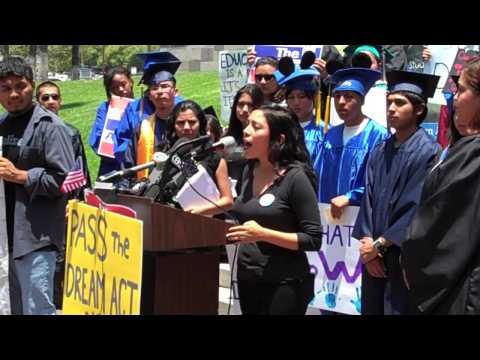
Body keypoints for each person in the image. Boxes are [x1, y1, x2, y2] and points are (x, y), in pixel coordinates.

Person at [352, 70, 441, 315]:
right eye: (389, 102)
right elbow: (367, 200)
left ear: (419, 110)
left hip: (403, 258)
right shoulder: (380, 150)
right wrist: (369, 247)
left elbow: (416, 206)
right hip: (373, 258)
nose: (391, 108)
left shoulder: (430, 152)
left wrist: (379, 245)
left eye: (399, 103)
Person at [226, 105, 322, 315]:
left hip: (284, 283)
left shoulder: (296, 178)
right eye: (247, 124)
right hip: (247, 278)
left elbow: (313, 239)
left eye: (256, 126)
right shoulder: (249, 169)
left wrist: (263, 234)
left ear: (279, 140)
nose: (246, 130)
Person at [401, 57, 480, 314]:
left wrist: (410, 256)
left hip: (462, 287)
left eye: (462, 90)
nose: (455, 98)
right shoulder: (459, 148)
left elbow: (442, 220)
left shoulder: (474, 154)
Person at [0, 57, 75, 315]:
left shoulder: (51, 127)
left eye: (19, 86)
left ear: (31, 85)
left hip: (35, 241)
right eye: (5, 88)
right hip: (5, 240)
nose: (13, 94)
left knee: (38, 310)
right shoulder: (2, 125)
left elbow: (63, 179)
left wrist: (21, 175)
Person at [317, 67, 389, 219]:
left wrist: (350, 197)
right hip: (329, 219)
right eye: (337, 96)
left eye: (349, 97)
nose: (341, 102)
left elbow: (381, 180)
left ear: (362, 100)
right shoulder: (331, 134)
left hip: (362, 218)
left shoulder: (377, 134)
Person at [114, 51, 184, 170]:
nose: (160, 91)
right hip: (144, 167)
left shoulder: (183, 107)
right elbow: (122, 141)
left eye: (165, 85)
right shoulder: (134, 108)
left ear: (174, 90)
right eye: (155, 87)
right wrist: (139, 148)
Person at [165, 100, 233, 216]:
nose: (186, 127)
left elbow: (228, 201)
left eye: (192, 122)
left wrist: (198, 212)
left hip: (206, 222)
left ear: (201, 124)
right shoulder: (165, 155)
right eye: (180, 123)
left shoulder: (213, 157)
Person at [36, 81, 91, 198]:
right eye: (45, 98)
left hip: (68, 196)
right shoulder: (32, 132)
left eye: (55, 97)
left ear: (60, 100)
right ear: (38, 102)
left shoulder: (72, 133)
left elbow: (81, 168)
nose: (51, 101)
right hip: (41, 194)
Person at [276, 54, 324, 180]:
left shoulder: (325, 131)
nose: (296, 103)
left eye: (302, 97)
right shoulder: (281, 130)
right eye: (291, 97)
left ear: (313, 98)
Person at [89, 65, 134, 178]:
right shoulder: (105, 108)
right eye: (114, 87)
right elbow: (97, 139)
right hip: (111, 167)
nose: (120, 90)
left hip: (136, 166)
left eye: (123, 84)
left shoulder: (140, 106)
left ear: (131, 82)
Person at [223, 84, 264, 194]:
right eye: (241, 104)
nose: (245, 109)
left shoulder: (265, 140)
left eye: (250, 105)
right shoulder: (227, 137)